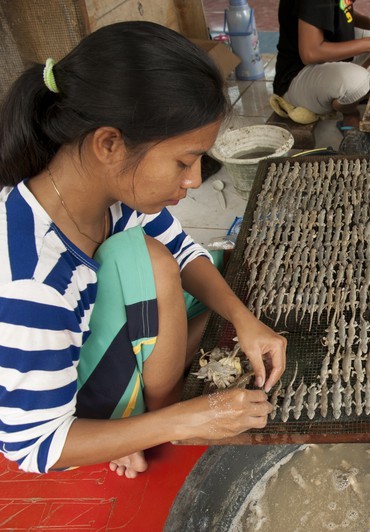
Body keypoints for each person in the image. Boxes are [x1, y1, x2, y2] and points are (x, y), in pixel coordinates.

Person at [0, 21, 287, 478]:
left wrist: (242, 319)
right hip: (74, 409)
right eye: (183, 160)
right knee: (150, 261)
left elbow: (187, 251)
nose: (194, 180)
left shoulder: (109, 192)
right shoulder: (33, 281)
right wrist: (185, 419)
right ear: (109, 144)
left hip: (92, 330)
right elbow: (32, 446)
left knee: (215, 263)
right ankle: (139, 418)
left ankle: (169, 368)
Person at [273, 0, 370, 131]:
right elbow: (310, 53)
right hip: (298, 77)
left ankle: (351, 91)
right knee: (358, 80)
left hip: (328, 59)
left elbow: (340, 10)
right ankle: (350, 109)